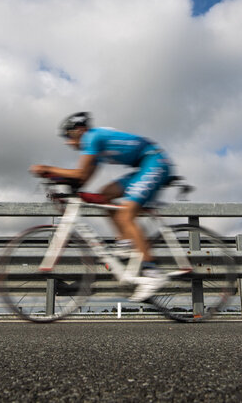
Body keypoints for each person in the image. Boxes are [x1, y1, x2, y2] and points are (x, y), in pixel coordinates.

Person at [30, 112, 173, 301]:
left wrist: (48, 169)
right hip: (144, 165)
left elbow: (80, 174)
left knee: (125, 215)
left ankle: (153, 273)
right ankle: (127, 242)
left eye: (68, 136)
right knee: (104, 195)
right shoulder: (94, 148)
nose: (67, 142)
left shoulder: (92, 137)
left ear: (79, 130)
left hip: (155, 162)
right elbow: (81, 181)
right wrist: (61, 189)